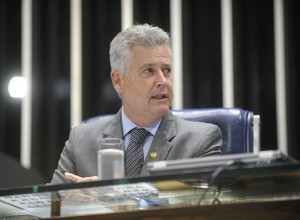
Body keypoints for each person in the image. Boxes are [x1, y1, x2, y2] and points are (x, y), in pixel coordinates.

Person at [49, 23, 222, 184]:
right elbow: (51, 206)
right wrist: (81, 205)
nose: (163, 81)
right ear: (118, 81)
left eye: (166, 70)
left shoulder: (201, 141)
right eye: (149, 71)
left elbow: (209, 210)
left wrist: (109, 201)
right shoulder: (80, 140)